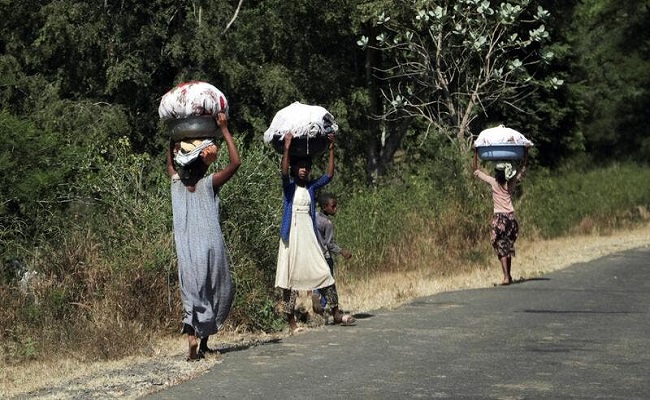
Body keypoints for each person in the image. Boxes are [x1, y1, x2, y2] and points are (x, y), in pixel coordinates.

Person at [166, 112, 241, 361]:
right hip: (211, 247)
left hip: (186, 251)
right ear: (203, 163)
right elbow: (235, 163)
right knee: (217, 289)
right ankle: (205, 341)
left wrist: (172, 138)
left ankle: (192, 337)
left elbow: (169, 164)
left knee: (192, 293)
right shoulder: (209, 183)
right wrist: (224, 128)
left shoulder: (175, 183)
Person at [275, 134, 355, 333]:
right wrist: (286, 148)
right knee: (290, 278)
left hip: (308, 235)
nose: (303, 170)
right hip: (291, 235)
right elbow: (283, 172)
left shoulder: (310, 188)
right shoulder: (289, 188)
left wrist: (330, 149)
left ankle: (336, 313)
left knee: (324, 271)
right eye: (299, 166)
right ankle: (291, 322)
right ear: (294, 169)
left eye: (306, 167)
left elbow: (328, 175)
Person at [472, 145, 528, 286]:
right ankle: (508, 275)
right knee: (507, 247)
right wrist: (526, 152)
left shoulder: (493, 183)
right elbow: (522, 169)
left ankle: (506, 277)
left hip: (500, 219)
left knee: (500, 247)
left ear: (497, 174)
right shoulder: (511, 184)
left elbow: (476, 170)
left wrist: (475, 152)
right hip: (510, 219)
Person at [311, 192, 352, 314]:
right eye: (333, 206)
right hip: (325, 255)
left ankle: (315, 293)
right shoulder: (328, 223)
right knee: (328, 280)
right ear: (325, 207)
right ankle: (323, 306)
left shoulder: (314, 217)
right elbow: (329, 244)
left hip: (314, 254)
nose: (335, 208)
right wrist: (342, 251)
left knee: (316, 278)